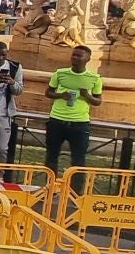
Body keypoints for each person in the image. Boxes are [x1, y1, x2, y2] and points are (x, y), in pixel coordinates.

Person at [44, 45, 103, 174]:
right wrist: (61, 95)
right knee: (51, 157)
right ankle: (50, 188)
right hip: (57, 120)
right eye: (73, 55)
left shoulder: (94, 78)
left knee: (78, 160)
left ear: (87, 59)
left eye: (79, 56)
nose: (75, 58)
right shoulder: (60, 73)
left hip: (80, 123)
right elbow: (48, 92)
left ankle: (75, 191)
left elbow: (98, 101)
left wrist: (87, 95)